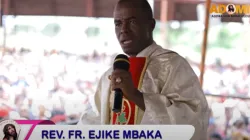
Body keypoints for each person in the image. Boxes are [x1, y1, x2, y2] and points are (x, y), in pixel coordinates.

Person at [79, 0, 209, 139]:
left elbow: (193, 121)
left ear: (151, 25)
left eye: (132, 22)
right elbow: (90, 122)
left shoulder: (172, 66)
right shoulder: (110, 75)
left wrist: (136, 96)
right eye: (118, 23)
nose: (124, 29)